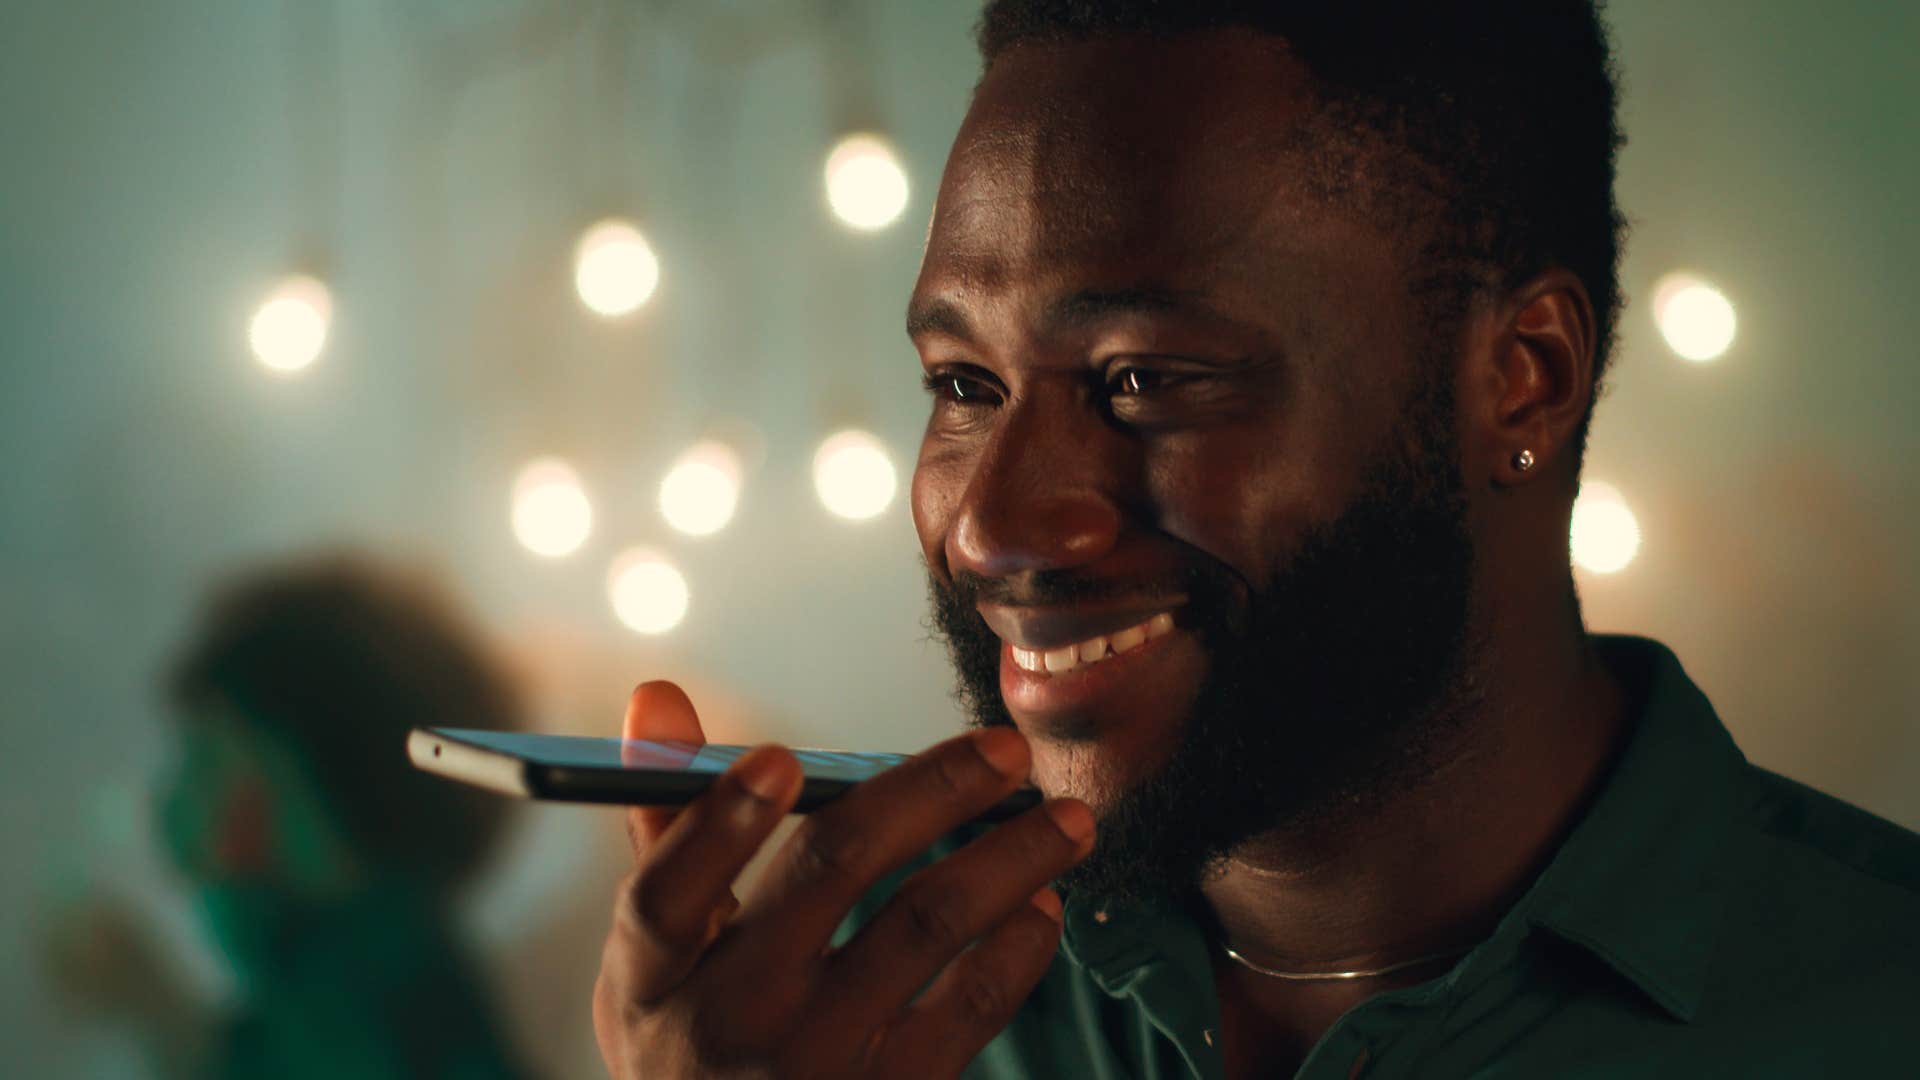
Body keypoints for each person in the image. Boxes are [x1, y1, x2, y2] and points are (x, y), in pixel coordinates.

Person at [591, 3, 1920, 1077]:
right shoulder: (856, 1001)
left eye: (1147, 380)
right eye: (965, 386)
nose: (994, 525)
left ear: (1524, 376)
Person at [48, 557, 529, 1079]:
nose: (172, 807)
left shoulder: (367, 1011)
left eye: (208, 759)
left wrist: (156, 1012)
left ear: (306, 783)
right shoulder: (412, 990)